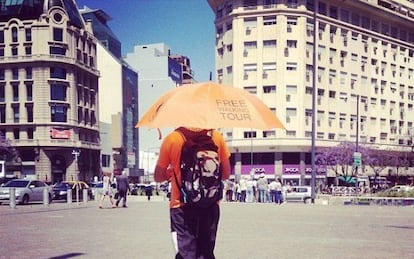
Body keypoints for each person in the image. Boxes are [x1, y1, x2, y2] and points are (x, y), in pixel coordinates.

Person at [154, 127, 231, 259]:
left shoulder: (173, 138)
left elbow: (158, 176)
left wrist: (172, 173)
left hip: (181, 206)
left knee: (185, 254)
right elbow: (226, 174)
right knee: (206, 253)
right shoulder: (216, 136)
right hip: (210, 204)